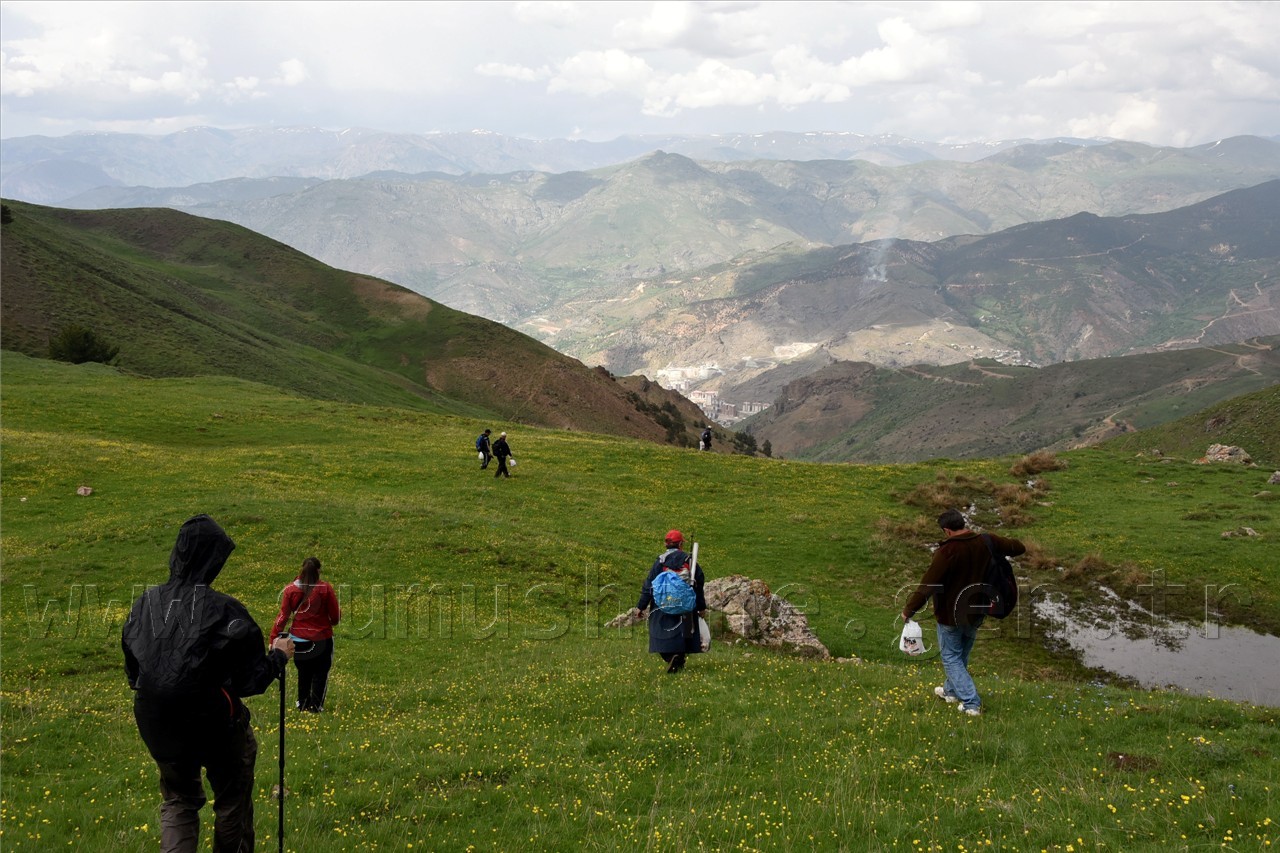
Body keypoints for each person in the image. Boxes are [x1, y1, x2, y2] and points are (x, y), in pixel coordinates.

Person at [122, 514, 295, 853]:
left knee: (179, 799)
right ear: (213, 559)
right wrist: (279, 656)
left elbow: (134, 673)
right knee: (231, 800)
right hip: (215, 724)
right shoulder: (224, 611)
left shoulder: (144, 604)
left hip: (157, 721)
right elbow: (251, 680)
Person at [901, 509, 1025, 716]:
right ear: (963, 523)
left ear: (947, 531)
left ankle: (971, 703)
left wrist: (909, 610)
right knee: (961, 655)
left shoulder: (947, 552)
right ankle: (950, 692)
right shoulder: (987, 541)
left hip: (951, 614)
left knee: (951, 657)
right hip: (977, 611)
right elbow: (1018, 547)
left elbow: (927, 585)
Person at [269, 556, 341, 713]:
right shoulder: (325, 589)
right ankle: (316, 706)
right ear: (318, 571)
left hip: (298, 639)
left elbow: (283, 616)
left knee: (304, 672)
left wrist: (273, 637)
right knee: (321, 673)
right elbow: (335, 616)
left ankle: (302, 703)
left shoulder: (290, 590)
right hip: (322, 638)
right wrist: (332, 621)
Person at [634, 529, 707, 674]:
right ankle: (678, 658)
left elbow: (649, 584)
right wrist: (701, 607)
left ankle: (671, 657)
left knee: (659, 633)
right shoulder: (689, 561)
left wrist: (641, 606)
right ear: (681, 544)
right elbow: (699, 583)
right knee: (685, 633)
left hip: (662, 604)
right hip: (685, 605)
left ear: (666, 544)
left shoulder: (660, 561)